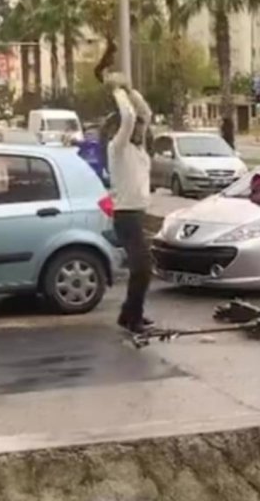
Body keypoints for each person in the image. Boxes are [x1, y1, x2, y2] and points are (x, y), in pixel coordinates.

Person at [95, 42, 155, 333]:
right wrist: (115, 89)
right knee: (142, 269)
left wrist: (131, 91)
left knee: (142, 269)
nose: (143, 130)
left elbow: (145, 114)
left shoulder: (140, 149)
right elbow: (131, 117)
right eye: (137, 129)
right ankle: (130, 317)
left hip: (136, 215)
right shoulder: (117, 147)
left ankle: (130, 315)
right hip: (126, 216)